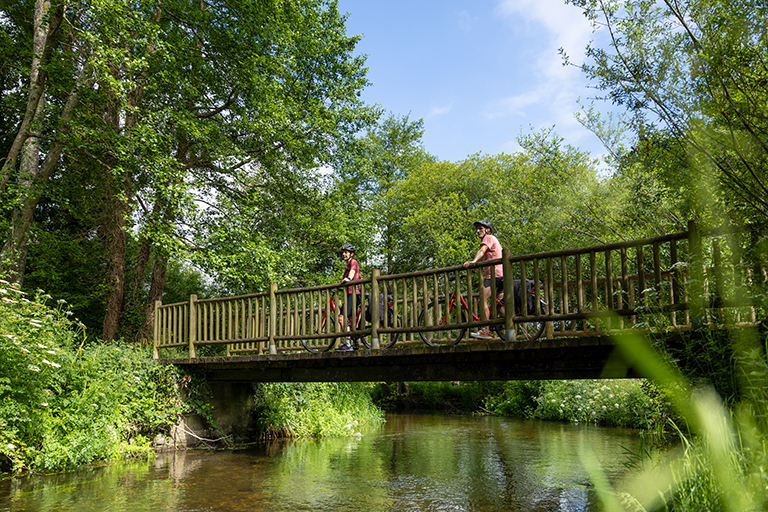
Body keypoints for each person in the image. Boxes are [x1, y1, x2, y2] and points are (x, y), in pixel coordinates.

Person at [463, 220, 503, 340]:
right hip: (501, 274)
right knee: (500, 305)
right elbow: (484, 257)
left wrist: (472, 262)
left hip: (493, 276)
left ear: (488, 229)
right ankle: (511, 333)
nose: (478, 231)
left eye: (481, 228)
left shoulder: (489, 238)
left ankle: (486, 331)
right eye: (477, 229)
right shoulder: (492, 239)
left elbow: (482, 251)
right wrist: (473, 271)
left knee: (482, 300)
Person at [337, 244, 362, 351]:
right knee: (351, 320)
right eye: (343, 252)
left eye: (346, 252)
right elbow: (359, 278)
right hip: (353, 294)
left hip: (353, 295)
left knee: (341, 318)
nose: (344, 254)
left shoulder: (353, 262)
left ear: (351, 254)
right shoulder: (348, 265)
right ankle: (355, 343)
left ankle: (347, 344)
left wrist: (348, 278)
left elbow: (352, 272)